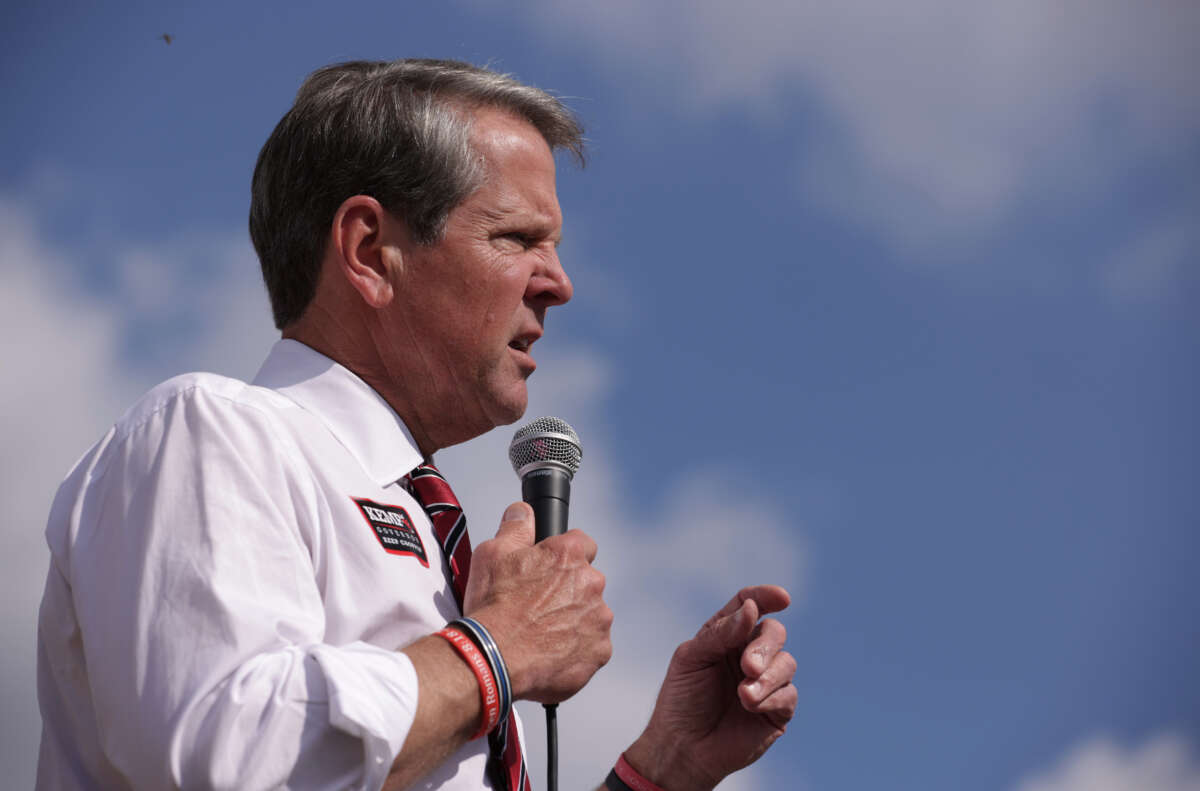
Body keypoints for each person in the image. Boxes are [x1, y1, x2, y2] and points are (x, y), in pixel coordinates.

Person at [36, 59, 797, 791]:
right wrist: (501, 646)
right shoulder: (213, 431)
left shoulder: (443, 558)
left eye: (554, 247)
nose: (559, 285)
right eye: (515, 239)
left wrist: (661, 769)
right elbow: (229, 763)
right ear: (370, 251)